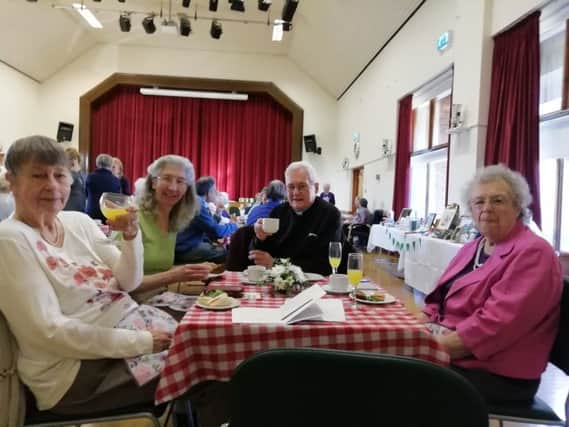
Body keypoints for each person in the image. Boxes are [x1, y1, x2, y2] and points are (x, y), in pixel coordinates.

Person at [0, 135, 171, 416]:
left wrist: (131, 236)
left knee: (213, 335)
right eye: (38, 175)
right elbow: (49, 332)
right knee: (211, 364)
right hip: (75, 374)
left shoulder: (77, 222)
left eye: (60, 175)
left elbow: (129, 282)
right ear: (12, 181)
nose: (52, 186)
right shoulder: (11, 239)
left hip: (126, 334)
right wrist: (143, 342)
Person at [420, 164, 562, 404]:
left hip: (495, 372)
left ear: (518, 206)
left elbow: (493, 326)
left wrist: (428, 347)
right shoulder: (472, 247)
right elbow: (438, 299)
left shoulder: (534, 253)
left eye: (497, 200)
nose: (486, 208)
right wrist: (423, 329)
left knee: (394, 378)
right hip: (454, 354)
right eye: (479, 202)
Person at [133, 155, 212, 301]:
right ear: (153, 182)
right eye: (167, 178)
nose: (173, 187)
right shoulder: (133, 219)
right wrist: (175, 275)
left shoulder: (173, 220)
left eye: (180, 181)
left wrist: (191, 271)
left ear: (187, 189)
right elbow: (122, 282)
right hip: (129, 304)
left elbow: (157, 269)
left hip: (160, 299)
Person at [249, 161, 346, 275]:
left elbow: (325, 264)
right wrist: (260, 238)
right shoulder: (279, 212)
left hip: (316, 287)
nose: (295, 192)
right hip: (277, 282)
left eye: (302, 186)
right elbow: (257, 255)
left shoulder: (330, 214)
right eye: (291, 187)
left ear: (315, 187)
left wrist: (276, 264)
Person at [175, 176, 238, 264]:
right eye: (215, 191)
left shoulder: (193, 200)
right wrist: (233, 225)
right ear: (209, 192)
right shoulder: (198, 204)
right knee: (227, 253)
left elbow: (204, 229)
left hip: (181, 245)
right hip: (186, 249)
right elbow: (217, 232)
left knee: (216, 246)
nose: (216, 193)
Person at [85, 153, 121, 222]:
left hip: (92, 212)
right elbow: (117, 200)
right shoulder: (115, 180)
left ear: (97, 164)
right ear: (110, 164)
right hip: (108, 213)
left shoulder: (90, 177)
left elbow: (86, 194)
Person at [63, 147, 86, 212]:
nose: (72, 160)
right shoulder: (67, 173)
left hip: (81, 209)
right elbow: (66, 184)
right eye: (70, 159)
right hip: (70, 209)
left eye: (74, 158)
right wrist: (73, 171)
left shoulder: (81, 173)